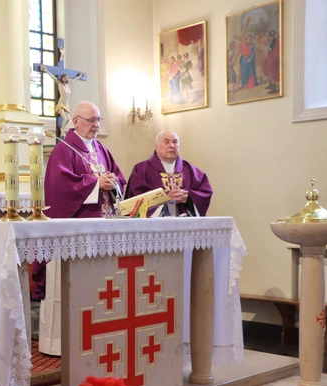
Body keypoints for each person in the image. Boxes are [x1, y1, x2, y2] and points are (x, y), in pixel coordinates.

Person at [35, 102, 126, 354]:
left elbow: (119, 178)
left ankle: (95, 337)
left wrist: (112, 182)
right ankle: (59, 343)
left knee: (99, 287)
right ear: (75, 121)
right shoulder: (63, 150)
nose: (96, 125)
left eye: (98, 120)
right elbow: (60, 187)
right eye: (91, 120)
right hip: (73, 234)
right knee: (69, 288)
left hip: (103, 228)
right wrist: (96, 183)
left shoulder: (101, 149)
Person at [124, 130, 212, 217]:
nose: (171, 145)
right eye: (166, 142)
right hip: (154, 226)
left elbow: (205, 193)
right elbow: (135, 198)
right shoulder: (141, 170)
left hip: (185, 224)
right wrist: (165, 198)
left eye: (175, 142)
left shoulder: (191, 171)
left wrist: (188, 197)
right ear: (156, 146)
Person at [39, 64, 84, 138]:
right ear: (62, 79)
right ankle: (62, 130)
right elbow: (53, 77)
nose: (66, 79)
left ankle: (62, 129)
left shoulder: (68, 84)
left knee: (68, 119)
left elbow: (74, 80)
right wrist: (46, 70)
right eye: (65, 78)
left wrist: (79, 76)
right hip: (61, 105)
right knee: (65, 118)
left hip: (66, 105)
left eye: (66, 77)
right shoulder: (60, 84)